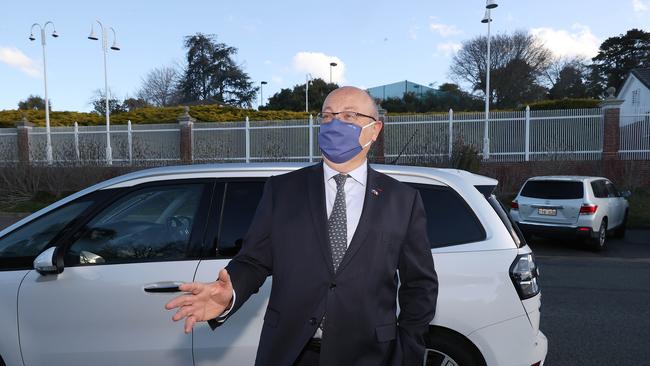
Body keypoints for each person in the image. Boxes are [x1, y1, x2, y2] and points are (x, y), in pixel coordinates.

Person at [165, 86, 438, 366]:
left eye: (349, 115)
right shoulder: (282, 190)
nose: (335, 124)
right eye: (328, 116)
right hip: (290, 353)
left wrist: (408, 352)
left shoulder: (402, 200)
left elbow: (420, 285)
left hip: (372, 355)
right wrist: (230, 292)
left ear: (375, 128)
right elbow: (254, 260)